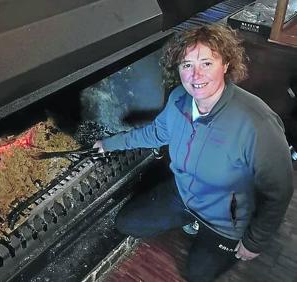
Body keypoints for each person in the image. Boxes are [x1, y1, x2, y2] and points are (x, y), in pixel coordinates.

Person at [93, 23, 294, 282]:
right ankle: (190, 219)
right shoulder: (179, 99)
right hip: (184, 194)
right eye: (187, 65)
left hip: (225, 221)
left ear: (227, 65)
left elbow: (279, 191)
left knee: (197, 276)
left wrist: (255, 241)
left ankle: (205, 232)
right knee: (126, 223)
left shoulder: (257, 122)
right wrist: (109, 143)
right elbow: (155, 133)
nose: (196, 75)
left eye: (206, 63)